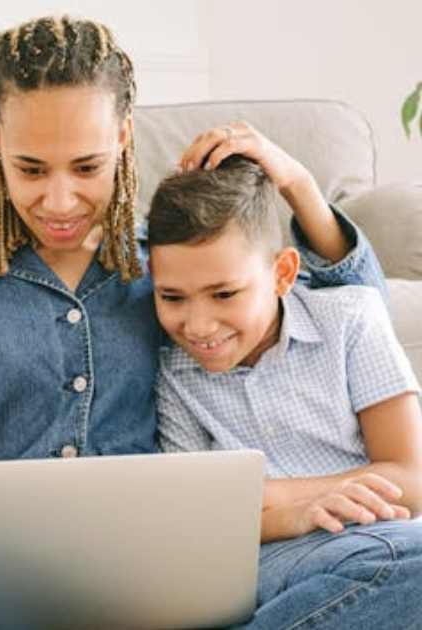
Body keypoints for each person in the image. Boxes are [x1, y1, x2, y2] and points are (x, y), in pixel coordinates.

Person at [0, 14, 382, 569]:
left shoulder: (167, 265)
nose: (61, 201)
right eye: (31, 169)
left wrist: (299, 185)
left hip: (159, 574)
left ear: (122, 137)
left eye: (87, 166)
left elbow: (354, 310)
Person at [150, 155, 422, 627]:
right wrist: (297, 514)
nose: (197, 326)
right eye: (172, 297)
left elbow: (413, 479)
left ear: (282, 274)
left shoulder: (351, 320)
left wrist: (271, 494)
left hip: (389, 541)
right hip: (271, 560)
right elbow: (196, 522)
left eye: (224, 294)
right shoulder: (172, 373)